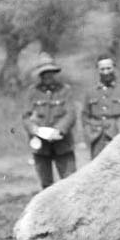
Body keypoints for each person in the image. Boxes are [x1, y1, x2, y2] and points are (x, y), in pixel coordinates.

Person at [22, 53, 77, 188]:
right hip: (41, 147)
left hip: (62, 144)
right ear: (40, 75)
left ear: (55, 73)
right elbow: (26, 117)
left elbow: (70, 114)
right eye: (44, 73)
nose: (48, 76)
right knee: (46, 184)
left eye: (50, 73)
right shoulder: (32, 92)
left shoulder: (65, 90)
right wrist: (34, 129)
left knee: (71, 182)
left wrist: (59, 130)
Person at [82, 55, 120, 158]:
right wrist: (89, 133)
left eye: (108, 68)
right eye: (102, 69)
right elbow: (85, 115)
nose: (106, 72)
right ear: (98, 70)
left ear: (114, 68)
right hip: (98, 137)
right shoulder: (91, 91)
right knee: (97, 171)